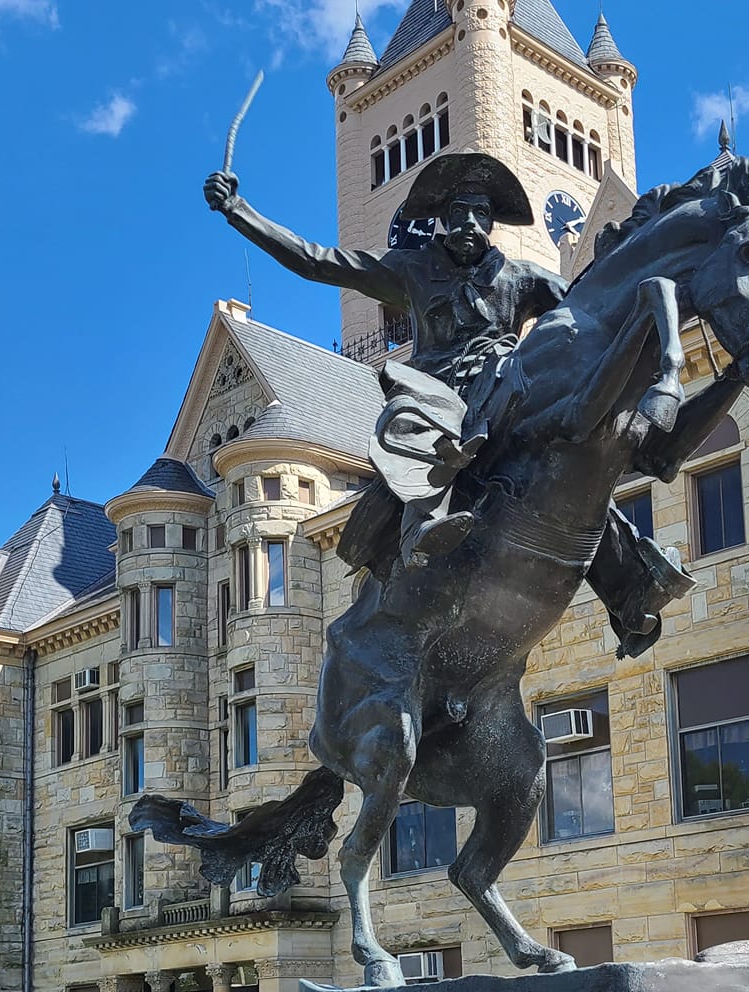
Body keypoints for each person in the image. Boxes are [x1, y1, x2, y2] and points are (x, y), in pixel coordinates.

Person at [203, 152, 692, 651]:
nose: (470, 225)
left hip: (505, 386)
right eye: (458, 213)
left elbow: (592, 306)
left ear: (492, 222)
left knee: (568, 452)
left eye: (480, 214)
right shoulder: (412, 270)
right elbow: (318, 261)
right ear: (440, 220)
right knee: (411, 421)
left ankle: (629, 583)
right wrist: (240, 211)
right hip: (434, 389)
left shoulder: (521, 277)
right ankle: (422, 527)